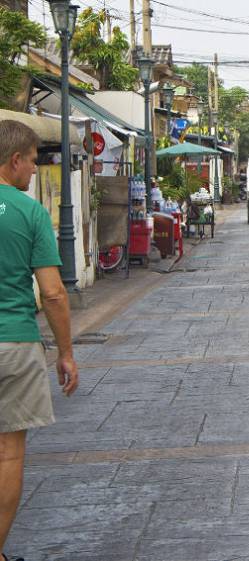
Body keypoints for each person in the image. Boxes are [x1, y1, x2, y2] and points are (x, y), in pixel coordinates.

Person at [0, 120, 79, 561]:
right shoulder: (29, 213)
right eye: (32, 162)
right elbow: (52, 291)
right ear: (14, 161)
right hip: (14, 344)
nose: (33, 171)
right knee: (8, 454)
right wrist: (65, 353)